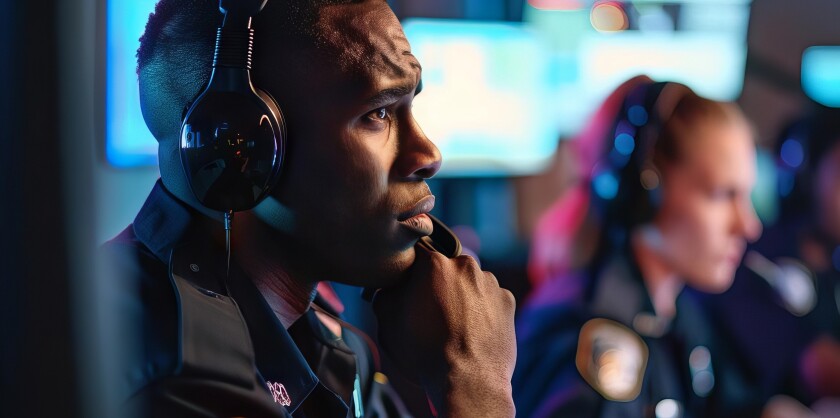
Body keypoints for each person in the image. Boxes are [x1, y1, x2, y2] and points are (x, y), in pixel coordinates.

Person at [104, 0, 516, 416]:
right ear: (245, 149)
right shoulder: (177, 375)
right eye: (378, 113)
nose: (428, 154)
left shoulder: (327, 341)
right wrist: (475, 384)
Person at [513, 79, 765, 417]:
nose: (748, 225)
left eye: (746, 195)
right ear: (647, 193)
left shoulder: (678, 314)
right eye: (721, 195)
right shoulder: (587, 337)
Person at [697, 104, 840, 413]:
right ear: (806, 173)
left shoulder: (831, 273)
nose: (746, 224)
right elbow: (817, 370)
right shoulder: (751, 259)